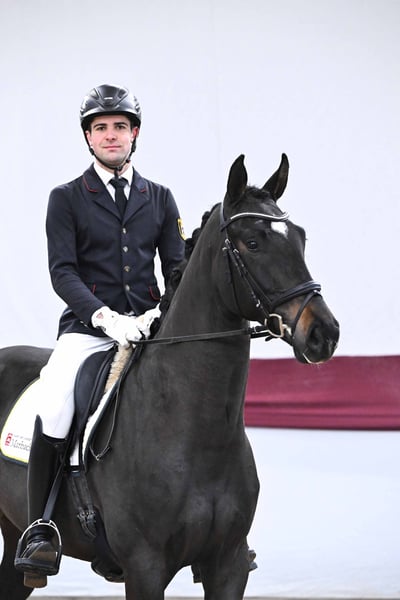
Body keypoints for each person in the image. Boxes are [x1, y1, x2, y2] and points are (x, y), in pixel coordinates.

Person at [14, 83, 186, 584]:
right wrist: (106, 318)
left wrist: (159, 315)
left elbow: (177, 268)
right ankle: (41, 527)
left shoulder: (160, 197)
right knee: (55, 403)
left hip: (148, 329)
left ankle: (221, 525)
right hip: (89, 330)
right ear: (89, 137)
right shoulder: (66, 198)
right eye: (101, 128)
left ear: (135, 134)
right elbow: (62, 272)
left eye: (120, 127)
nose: (111, 135)